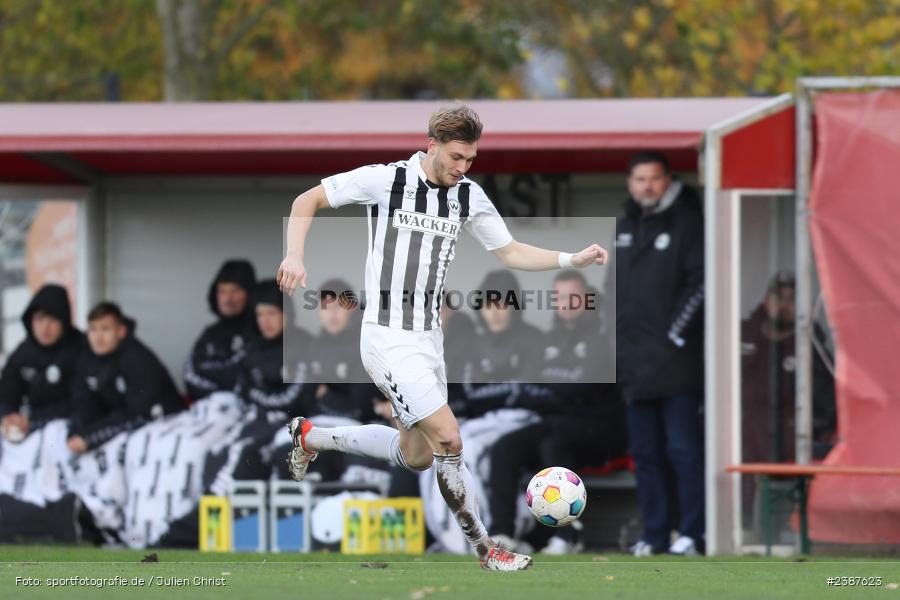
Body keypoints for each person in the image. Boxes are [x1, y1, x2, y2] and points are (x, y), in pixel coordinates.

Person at [277, 105, 608, 571]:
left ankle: (313, 436)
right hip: (386, 337)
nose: (462, 167)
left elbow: (510, 251)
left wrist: (572, 258)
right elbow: (304, 201)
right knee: (449, 441)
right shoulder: (385, 180)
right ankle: (485, 548)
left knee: (415, 456)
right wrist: (294, 256)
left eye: (470, 159)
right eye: (455, 157)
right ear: (430, 143)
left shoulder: (467, 195)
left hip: (429, 341)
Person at [616, 151, 705, 557]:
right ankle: (654, 534)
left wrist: (674, 336)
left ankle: (692, 534)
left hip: (677, 366)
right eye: (639, 180)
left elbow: (702, 284)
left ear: (668, 180)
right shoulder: (624, 225)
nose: (646, 187)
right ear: (630, 184)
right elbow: (611, 293)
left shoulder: (688, 221)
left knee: (684, 451)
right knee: (646, 455)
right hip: (635, 367)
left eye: (653, 179)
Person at [741, 271, 836, 514]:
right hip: (746, 436)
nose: (783, 305)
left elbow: (826, 402)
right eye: (778, 297)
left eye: (792, 298)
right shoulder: (746, 335)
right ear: (766, 299)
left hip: (791, 438)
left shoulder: (809, 344)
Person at [67, 302, 183, 453]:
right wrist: (76, 433)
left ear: (121, 331)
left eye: (105, 329)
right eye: (93, 329)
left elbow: (137, 412)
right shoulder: (87, 358)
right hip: (118, 425)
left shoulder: (137, 358)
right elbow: (83, 402)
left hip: (165, 424)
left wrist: (90, 437)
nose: (98, 336)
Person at [0, 284, 85, 442]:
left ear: (64, 322)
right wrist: (8, 416)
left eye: (52, 319)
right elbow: (6, 393)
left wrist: (32, 419)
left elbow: (81, 401)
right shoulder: (24, 352)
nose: (45, 327)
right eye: (39, 319)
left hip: (70, 430)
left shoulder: (81, 349)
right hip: (30, 426)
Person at [184, 259, 257, 401]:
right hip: (210, 408)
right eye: (222, 291)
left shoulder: (261, 330)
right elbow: (190, 374)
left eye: (235, 290)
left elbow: (244, 375)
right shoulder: (210, 333)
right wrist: (219, 397)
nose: (228, 299)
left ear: (249, 293)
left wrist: (211, 372)